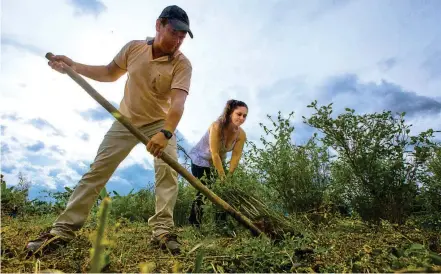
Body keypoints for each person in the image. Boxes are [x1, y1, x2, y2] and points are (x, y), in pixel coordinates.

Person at [25, 5, 194, 256]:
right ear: (159, 25)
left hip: (160, 124)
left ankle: (163, 232)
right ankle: (61, 231)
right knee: (97, 171)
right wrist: (74, 67)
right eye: (174, 32)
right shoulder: (134, 48)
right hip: (125, 121)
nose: (178, 40)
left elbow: (178, 104)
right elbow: (108, 73)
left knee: (168, 172)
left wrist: (166, 133)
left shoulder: (182, 64)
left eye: (183, 36)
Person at [187, 99, 248, 228]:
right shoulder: (216, 126)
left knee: (223, 191)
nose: (242, 118)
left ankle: (221, 224)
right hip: (201, 160)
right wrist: (221, 176)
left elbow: (236, 155)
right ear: (230, 113)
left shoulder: (241, 134)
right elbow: (214, 153)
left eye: (244, 116)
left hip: (218, 162)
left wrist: (229, 175)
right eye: (239, 114)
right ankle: (194, 223)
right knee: (204, 190)